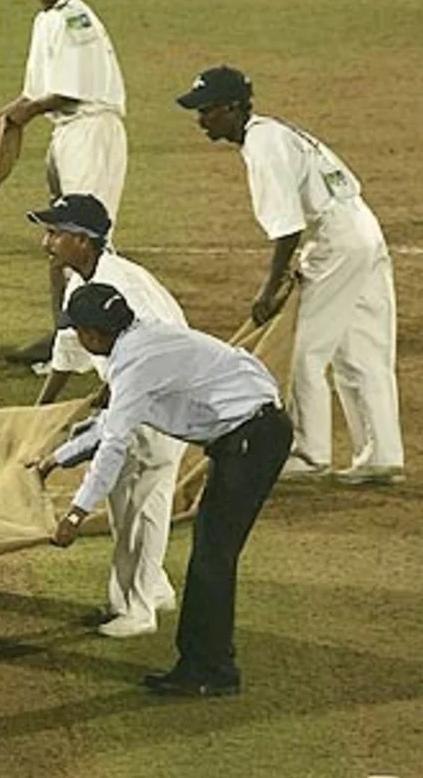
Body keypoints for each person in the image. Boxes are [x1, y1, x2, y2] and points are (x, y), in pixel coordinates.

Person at [35, 281, 293, 697]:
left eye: (78, 331)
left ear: (94, 335)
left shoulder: (135, 363)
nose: (78, 338)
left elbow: (114, 445)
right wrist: (59, 457)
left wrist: (76, 514)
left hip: (251, 439)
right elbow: (112, 425)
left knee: (212, 557)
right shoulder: (140, 342)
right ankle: (207, 664)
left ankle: (209, 670)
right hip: (251, 431)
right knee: (212, 554)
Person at [177, 65, 404, 486]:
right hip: (363, 232)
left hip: (337, 241)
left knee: (303, 350)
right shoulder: (273, 133)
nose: (200, 120)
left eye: (206, 110)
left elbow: (287, 228)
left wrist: (269, 289)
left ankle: (308, 453)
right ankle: (382, 453)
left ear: (231, 108)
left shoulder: (263, 146)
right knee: (361, 351)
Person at [28, 193, 187, 637]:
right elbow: (67, 351)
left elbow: (164, 347)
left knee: (137, 504)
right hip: (143, 401)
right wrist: (41, 413)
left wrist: (122, 393)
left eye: (55, 233)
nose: (46, 243)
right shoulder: (86, 282)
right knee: (140, 506)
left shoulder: (124, 287)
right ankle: (153, 589)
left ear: (83, 240)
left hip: (156, 404)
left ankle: (135, 610)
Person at [0, 0, 127, 359]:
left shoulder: (75, 22)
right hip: (67, 134)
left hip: (90, 132)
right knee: (59, 235)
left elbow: (69, 92)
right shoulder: (46, 19)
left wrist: (24, 114)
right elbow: (35, 92)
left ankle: (99, 339)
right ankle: (63, 335)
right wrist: (1, 118)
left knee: (86, 239)